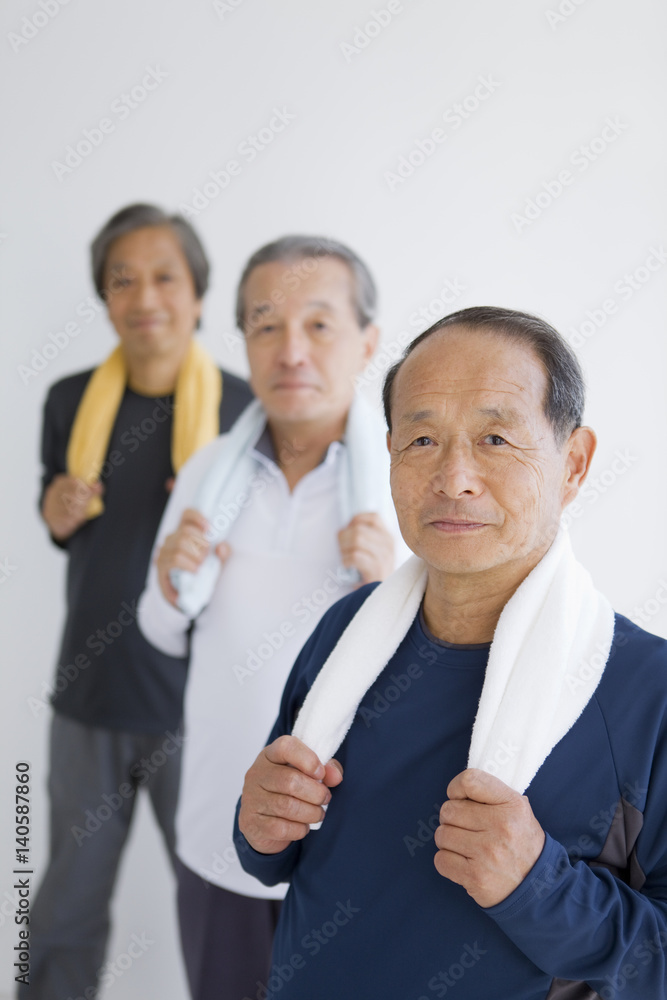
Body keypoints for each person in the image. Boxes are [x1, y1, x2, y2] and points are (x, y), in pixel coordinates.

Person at [236, 306, 667, 1000]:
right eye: (422, 439)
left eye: (495, 438)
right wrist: (256, 826)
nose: (454, 477)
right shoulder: (348, 629)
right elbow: (274, 855)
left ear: (574, 463)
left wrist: (537, 886)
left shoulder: (646, 691)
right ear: (391, 455)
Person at [138, 235, 408, 1000]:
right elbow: (160, 631)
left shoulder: (407, 481)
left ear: (367, 343)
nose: (290, 351)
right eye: (265, 325)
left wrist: (387, 585)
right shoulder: (207, 472)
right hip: (215, 831)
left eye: (318, 324)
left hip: (351, 847)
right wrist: (168, 588)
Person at [23, 204, 252, 1000]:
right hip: (89, 698)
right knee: (65, 905)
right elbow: (63, 519)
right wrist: (55, 512)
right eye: (122, 280)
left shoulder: (242, 410)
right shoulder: (68, 402)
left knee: (222, 905)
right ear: (104, 297)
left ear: (198, 294)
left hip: (203, 705)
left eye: (164, 277)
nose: (144, 296)